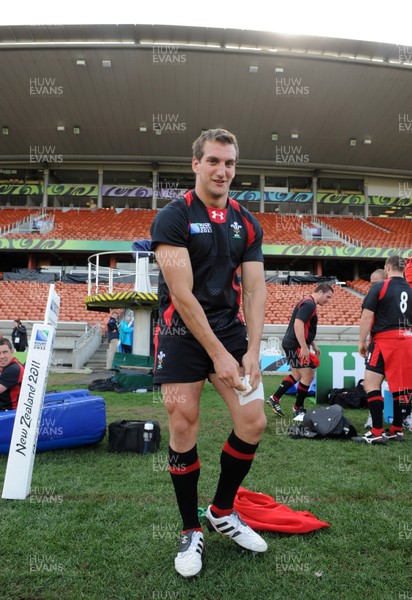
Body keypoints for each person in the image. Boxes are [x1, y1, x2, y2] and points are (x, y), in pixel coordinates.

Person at [150, 128, 268, 578]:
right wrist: (218, 355)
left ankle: (221, 511)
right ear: (195, 163)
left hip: (230, 329)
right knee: (183, 420)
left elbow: (255, 289)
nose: (223, 170)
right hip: (182, 331)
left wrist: (252, 348)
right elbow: (181, 295)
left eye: (230, 163)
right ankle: (190, 529)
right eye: (214, 161)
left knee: (253, 421)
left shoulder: (248, 221)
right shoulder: (174, 217)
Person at [353, 255, 412, 444]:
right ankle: (396, 429)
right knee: (401, 387)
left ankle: (377, 432)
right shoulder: (410, 289)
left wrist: (362, 341)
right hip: (407, 340)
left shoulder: (380, 286)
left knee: (370, 383)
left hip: (385, 340)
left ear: (387, 267)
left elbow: (366, 316)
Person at [266, 283, 334, 418]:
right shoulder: (309, 304)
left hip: (292, 344)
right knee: (308, 375)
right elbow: (298, 324)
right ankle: (298, 408)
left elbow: (305, 327)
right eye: (328, 296)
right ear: (320, 292)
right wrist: (304, 347)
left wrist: (312, 344)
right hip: (295, 345)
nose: (328, 300)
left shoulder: (309, 303)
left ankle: (275, 398)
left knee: (297, 375)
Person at [364, 268, 386, 429]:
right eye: (371, 284)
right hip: (376, 343)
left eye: (376, 283)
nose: (373, 287)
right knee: (373, 383)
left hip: (391, 344)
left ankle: (403, 419)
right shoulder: (373, 296)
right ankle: (373, 417)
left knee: (400, 384)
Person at [0, 337, 25, 411]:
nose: (1, 356)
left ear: (12, 351)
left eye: (5, 352)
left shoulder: (14, 369)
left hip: (10, 413)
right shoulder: (4, 366)